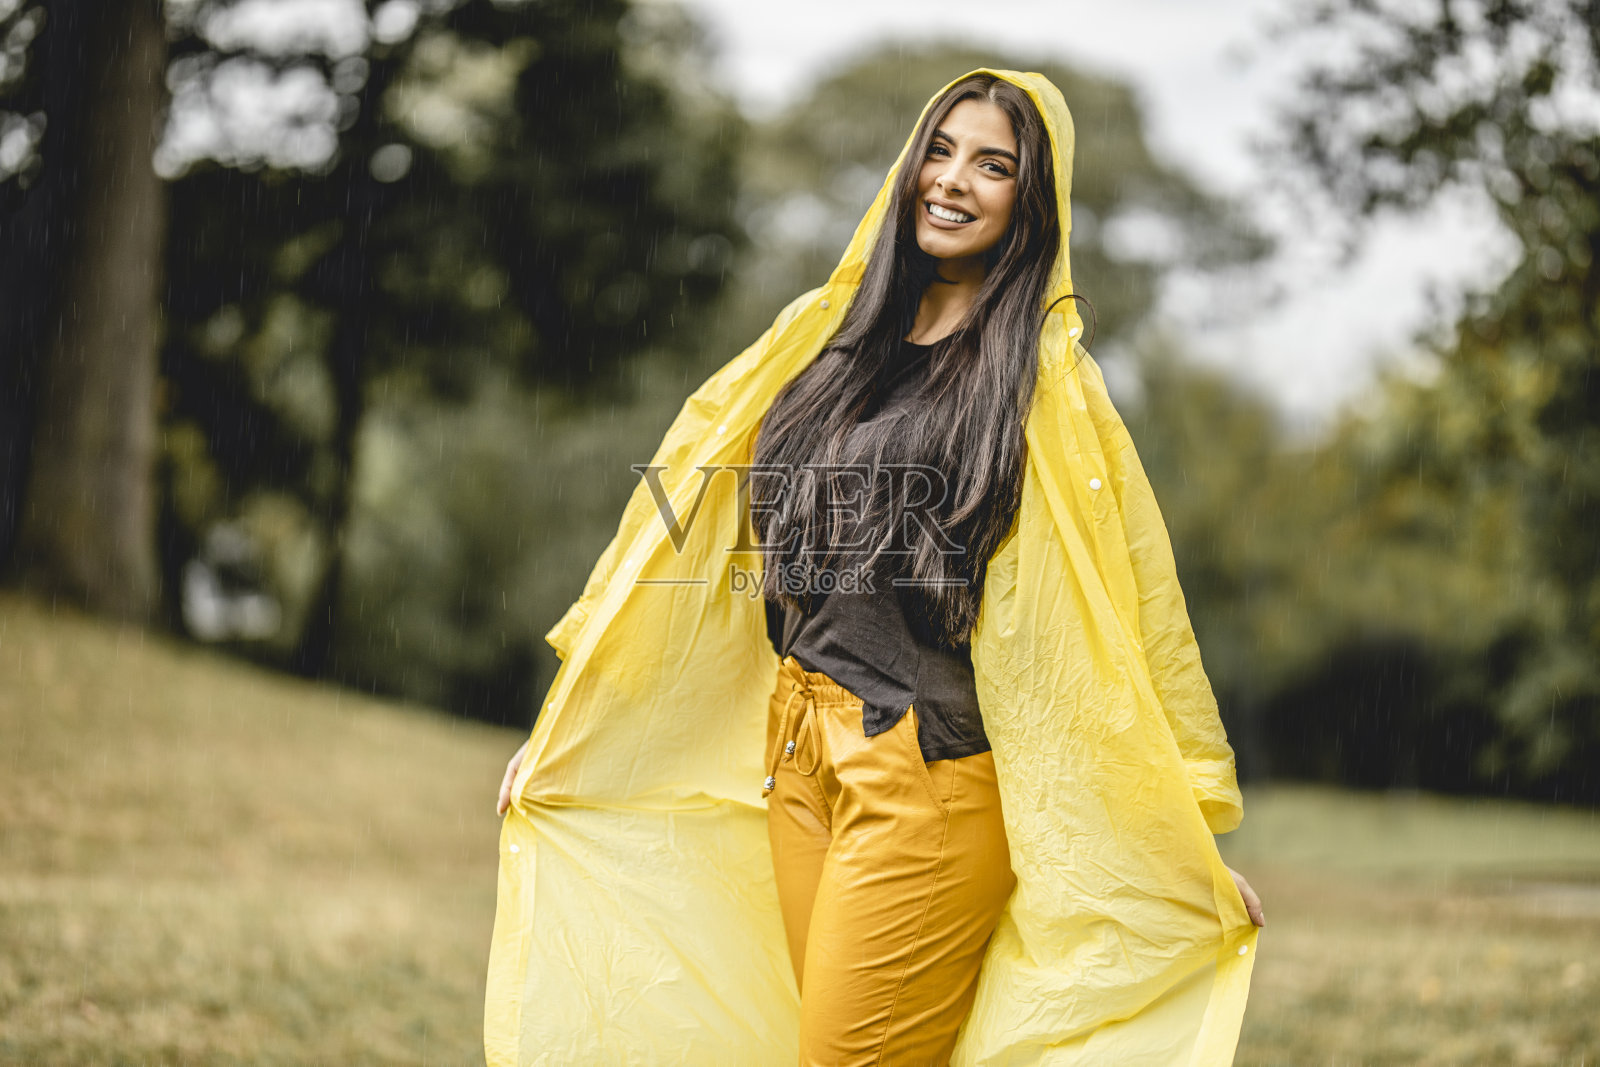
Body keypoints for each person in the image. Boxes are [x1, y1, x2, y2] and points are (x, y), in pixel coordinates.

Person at [487, 69, 1264, 1067]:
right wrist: (573, 722)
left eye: (993, 165)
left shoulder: (1039, 380)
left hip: (924, 774)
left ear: (1033, 202)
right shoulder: (830, 337)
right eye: (939, 150)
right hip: (798, 752)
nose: (953, 180)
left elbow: (1116, 605)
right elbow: (675, 534)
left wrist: (1176, 831)